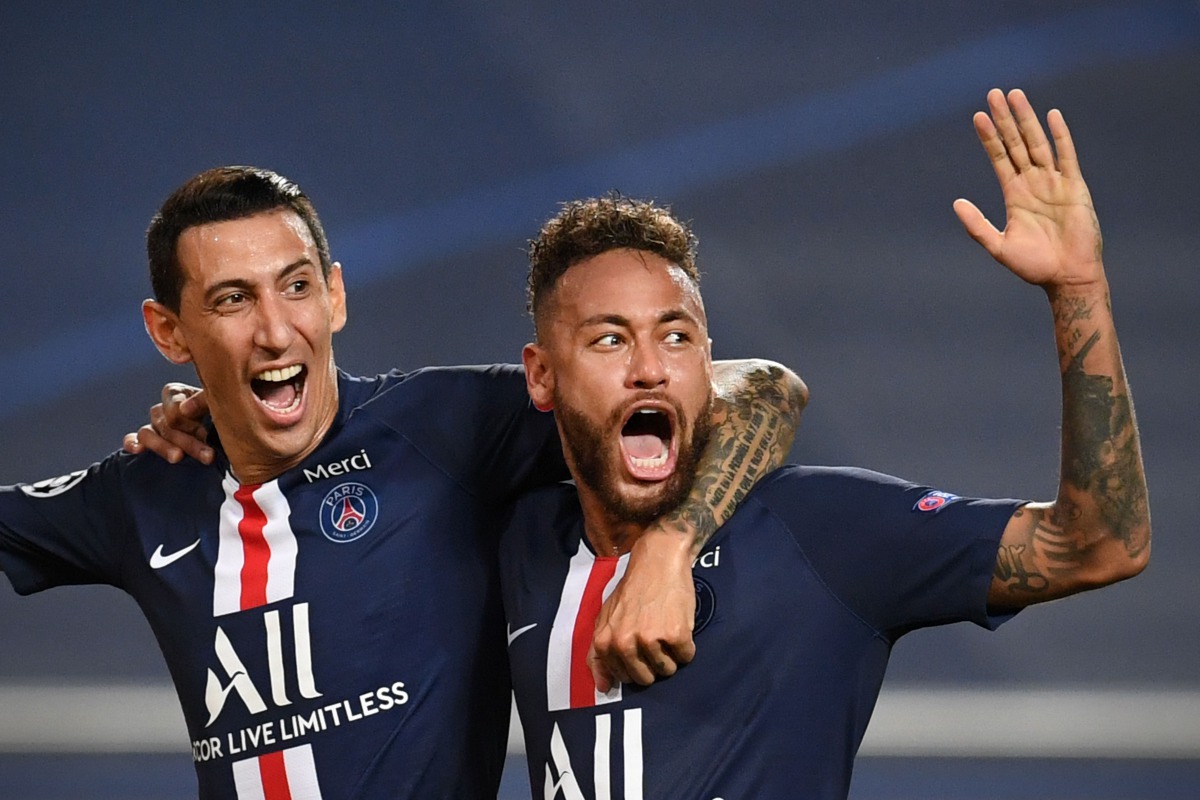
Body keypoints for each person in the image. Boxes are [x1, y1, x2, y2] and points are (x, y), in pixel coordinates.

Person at [0, 166, 804, 798]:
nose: (278, 329)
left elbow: (760, 386)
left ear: (336, 294)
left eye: (297, 285)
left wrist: (668, 551)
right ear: (169, 331)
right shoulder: (151, 487)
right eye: (232, 300)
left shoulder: (443, 431)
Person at [499, 88, 1150, 799]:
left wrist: (1078, 291)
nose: (651, 366)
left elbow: (1100, 545)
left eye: (676, 336)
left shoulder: (820, 530)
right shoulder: (517, 546)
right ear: (541, 375)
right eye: (609, 339)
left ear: (709, 361)